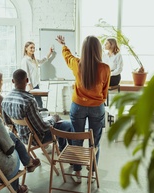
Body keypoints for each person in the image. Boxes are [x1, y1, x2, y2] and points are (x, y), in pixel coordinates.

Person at [56, 35, 110, 183]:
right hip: (97, 108)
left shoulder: (77, 64)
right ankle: (92, 173)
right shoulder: (105, 68)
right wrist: (98, 101)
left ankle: (78, 173)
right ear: (98, 50)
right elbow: (105, 92)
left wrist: (63, 45)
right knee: (95, 142)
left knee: (77, 139)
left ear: (83, 50)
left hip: (78, 107)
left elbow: (67, 56)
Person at [1, 69, 74, 151]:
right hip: (37, 139)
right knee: (68, 125)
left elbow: (8, 123)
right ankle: (68, 152)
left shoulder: (5, 100)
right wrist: (54, 119)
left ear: (12, 81)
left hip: (22, 138)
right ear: (27, 80)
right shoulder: (29, 101)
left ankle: (62, 149)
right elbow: (43, 127)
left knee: (59, 123)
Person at [0, 71, 41, 171]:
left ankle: (29, 160)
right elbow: (10, 114)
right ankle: (29, 161)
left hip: (9, 126)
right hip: (14, 126)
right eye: (1, 80)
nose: (2, 82)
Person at [21, 41, 53, 108]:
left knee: (39, 103)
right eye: (31, 47)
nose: (33, 49)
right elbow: (26, 74)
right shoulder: (25, 60)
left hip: (35, 84)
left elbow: (41, 61)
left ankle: (39, 117)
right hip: (30, 86)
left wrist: (49, 53)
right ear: (26, 48)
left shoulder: (33, 59)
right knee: (35, 103)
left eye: (34, 48)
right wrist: (30, 86)